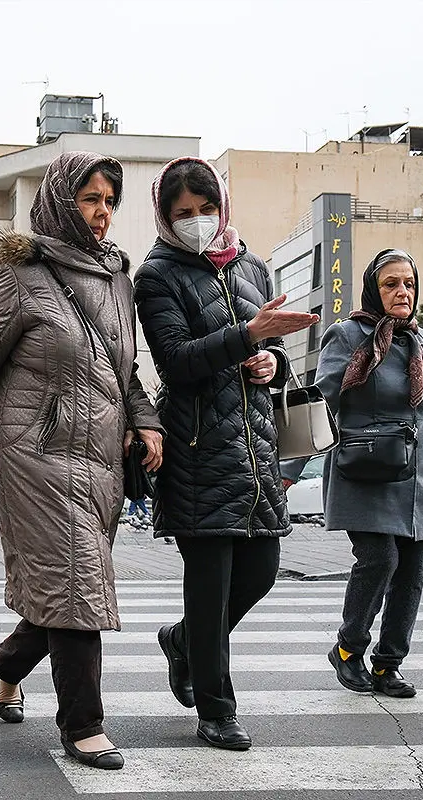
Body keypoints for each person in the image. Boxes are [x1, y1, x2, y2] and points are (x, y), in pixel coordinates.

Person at [0, 152, 163, 771]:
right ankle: (83, 725)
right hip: (37, 459)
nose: (102, 212)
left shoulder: (116, 279)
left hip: (101, 460)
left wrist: (147, 422)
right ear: (61, 202)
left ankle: (6, 666)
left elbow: (123, 368)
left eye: (110, 201)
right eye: (90, 199)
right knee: (79, 580)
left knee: (62, 588)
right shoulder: (21, 278)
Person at [133, 156, 318, 752]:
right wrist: (248, 337)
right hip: (196, 447)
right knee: (209, 585)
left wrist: (274, 361)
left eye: (206, 209)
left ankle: (186, 641)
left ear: (223, 208)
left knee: (260, 572)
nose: (197, 221)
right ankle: (217, 707)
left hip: (255, 446)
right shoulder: (157, 276)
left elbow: (270, 353)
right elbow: (178, 361)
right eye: (183, 213)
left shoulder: (254, 267)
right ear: (164, 216)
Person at [317, 248, 423, 699]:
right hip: (367, 470)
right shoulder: (347, 335)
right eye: (391, 283)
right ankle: (348, 649)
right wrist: (288, 469)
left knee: (412, 571)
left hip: (415, 476)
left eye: (409, 283)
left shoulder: (422, 341)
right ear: (374, 289)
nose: (402, 292)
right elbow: (322, 405)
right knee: (380, 560)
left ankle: (388, 664)